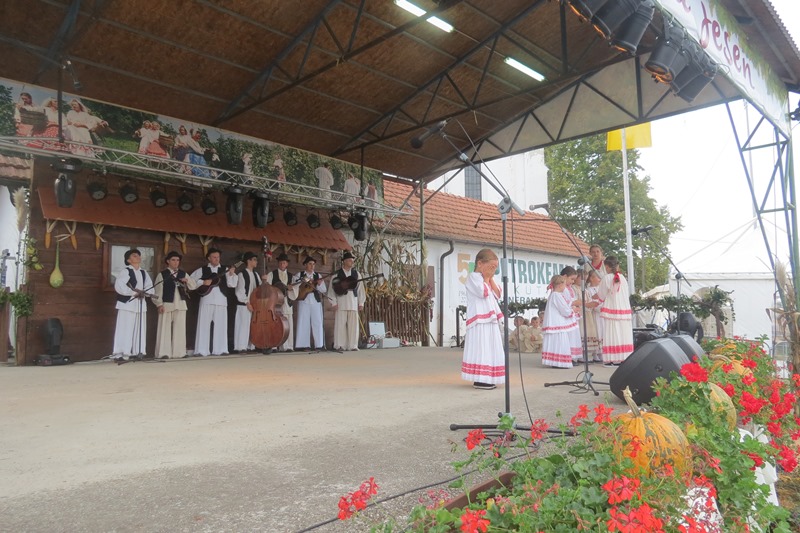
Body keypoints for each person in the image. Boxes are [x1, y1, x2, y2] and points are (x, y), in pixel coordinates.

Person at [461, 248, 504, 390]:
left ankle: (489, 377)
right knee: (482, 348)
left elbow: (497, 294)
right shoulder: (473, 277)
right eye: (491, 266)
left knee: (490, 348)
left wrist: (490, 278)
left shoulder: (489, 279)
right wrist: (486, 278)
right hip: (479, 320)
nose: (493, 270)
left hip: (490, 319)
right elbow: (482, 292)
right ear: (480, 264)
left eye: (495, 267)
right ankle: (480, 379)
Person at [191, 248, 238, 356]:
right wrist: (203, 282)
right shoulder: (202, 270)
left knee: (221, 326)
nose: (216, 259)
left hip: (221, 300)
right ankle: (201, 350)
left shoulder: (225, 269)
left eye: (218, 257)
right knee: (203, 325)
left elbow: (232, 284)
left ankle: (221, 349)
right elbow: (191, 281)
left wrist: (231, 274)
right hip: (206, 299)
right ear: (209, 258)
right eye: (214, 257)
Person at [112, 249, 154, 361]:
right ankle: (121, 353)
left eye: (138, 255)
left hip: (139, 304)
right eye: (134, 256)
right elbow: (120, 286)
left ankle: (137, 352)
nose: (138, 257)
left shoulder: (143, 272)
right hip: (127, 304)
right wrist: (133, 292)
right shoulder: (126, 271)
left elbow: (149, 286)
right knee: (125, 328)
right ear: (128, 260)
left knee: (140, 329)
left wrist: (146, 293)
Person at [153, 251, 197, 359]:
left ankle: (179, 353)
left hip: (180, 304)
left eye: (177, 260)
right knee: (164, 329)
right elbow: (158, 291)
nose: (176, 262)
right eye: (173, 260)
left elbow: (193, 286)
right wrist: (159, 304)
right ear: (168, 261)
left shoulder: (183, 274)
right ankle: (163, 353)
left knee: (180, 329)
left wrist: (187, 281)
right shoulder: (162, 274)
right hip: (167, 304)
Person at [594, 256, 634, 366]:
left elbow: (601, 295)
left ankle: (613, 358)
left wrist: (595, 299)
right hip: (623, 310)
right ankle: (624, 357)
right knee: (623, 334)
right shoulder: (622, 278)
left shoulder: (607, 278)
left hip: (612, 310)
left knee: (612, 334)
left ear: (607, 266)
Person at [328, 251, 366, 351]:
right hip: (341, 301)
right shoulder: (336, 275)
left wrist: (361, 302)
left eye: (352, 260)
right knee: (340, 324)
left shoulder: (356, 274)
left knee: (353, 325)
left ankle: (353, 345)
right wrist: (334, 302)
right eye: (349, 260)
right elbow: (331, 290)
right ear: (344, 261)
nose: (351, 262)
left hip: (353, 301)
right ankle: (340, 345)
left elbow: (360, 289)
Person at [541, 275, 578, 368]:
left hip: (554, 322)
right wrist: (573, 310)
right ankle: (560, 362)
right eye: (564, 285)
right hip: (557, 323)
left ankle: (555, 361)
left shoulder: (554, 294)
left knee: (556, 342)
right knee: (560, 342)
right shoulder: (556, 295)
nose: (565, 287)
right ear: (560, 285)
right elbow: (564, 310)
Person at [265, 253, 297, 352]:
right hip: (275, 303)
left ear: (287, 264)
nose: (282, 264)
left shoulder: (291, 276)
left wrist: (291, 289)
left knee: (287, 324)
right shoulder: (272, 274)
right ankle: (274, 345)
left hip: (286, 302)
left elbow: (295, 291)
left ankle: (288, 346)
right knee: (275, 323)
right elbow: (267, 287)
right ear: (278, 263)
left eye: (284, 263)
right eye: (281, 262)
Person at [293, 256, 327, 351]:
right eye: (310, 264)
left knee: (317, 322)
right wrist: (302, 283)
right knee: (303, 322)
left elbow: (323, 290)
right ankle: (304, 345)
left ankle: (319, 345)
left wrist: (319, 284)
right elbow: (294, 287)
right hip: (304, 301)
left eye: (313, 264)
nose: (312, 266)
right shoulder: (299, 275)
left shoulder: (318, 276)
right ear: (305, 265)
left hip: (315, 301)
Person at [233, 251, 260, 353]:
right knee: (243, 325)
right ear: (248, 261)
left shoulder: (256, 274)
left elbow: (259, 289)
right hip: (244, 305)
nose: (256, 262)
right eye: (254, 260)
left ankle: (251, 346)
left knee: (252, 326)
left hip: (254, 305)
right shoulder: (242, 274)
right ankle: (240, 347)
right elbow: (240, 290)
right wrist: (247, 302)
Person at [560, 266, 583, 363]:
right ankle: (568, 356)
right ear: (565, 276)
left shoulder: (570, 288)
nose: (573, 282)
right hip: (566, 317)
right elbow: (563, 302)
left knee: (574, 336)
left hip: (572, 315)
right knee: (569, 336)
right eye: (572, 279)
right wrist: (574, 303)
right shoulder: (561, 288)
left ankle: (574, 356)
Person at [583, 269, 603, 362]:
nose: (599, 279)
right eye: (597, 277)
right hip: (594, 314)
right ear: (591, 278)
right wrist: (597, 307)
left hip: (602, 314)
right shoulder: (588, 290)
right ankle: (595, 352)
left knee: (602, 332)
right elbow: (590, 302)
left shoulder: (601, 289)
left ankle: (602, 352)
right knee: (596, 332)